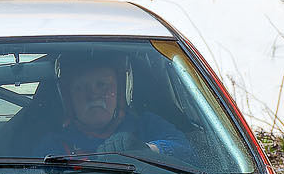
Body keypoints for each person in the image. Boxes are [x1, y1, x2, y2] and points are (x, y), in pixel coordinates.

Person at [36, 51, 191, 159]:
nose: (93, 95)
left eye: (102, 85)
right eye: (81, 88)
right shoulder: (54, 143)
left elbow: (191, 154)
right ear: (68, 98)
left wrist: (146, 149)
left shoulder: (146, 125)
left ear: (120, 91)